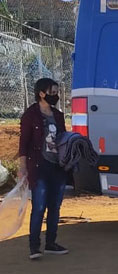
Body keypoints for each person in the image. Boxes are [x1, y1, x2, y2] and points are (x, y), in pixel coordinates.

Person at [18, 78, 69, 260]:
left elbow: (63, 138)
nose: (55, 96)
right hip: (39, 167)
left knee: (55, 206)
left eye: (56, 92)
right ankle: (34, 246)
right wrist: (23, 167)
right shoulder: (30, 115)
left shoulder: (58, 115)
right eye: (52, 92)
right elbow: (23, 144)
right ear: (41, 93)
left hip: (58, 167)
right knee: (39, 207)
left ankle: (51, 243)